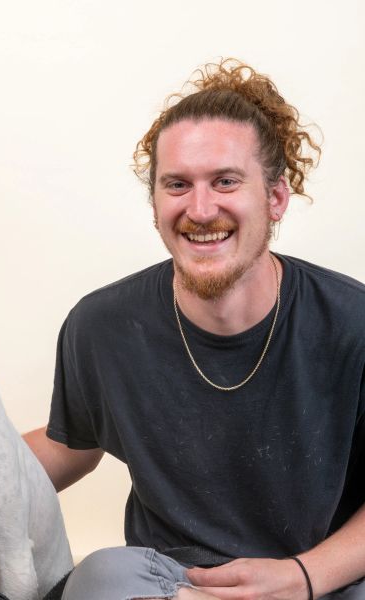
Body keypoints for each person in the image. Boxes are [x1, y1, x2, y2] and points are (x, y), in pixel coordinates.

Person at [25, 59, 365, 600]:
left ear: (275, 197)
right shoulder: (101, 325)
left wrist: (303, 577)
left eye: (226, 181)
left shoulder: (353, 322)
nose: (200, 210)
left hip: (318, 579)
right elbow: (72, 446)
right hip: (175, 586)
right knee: (100, 577)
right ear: (155, 200)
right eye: (177, 184)